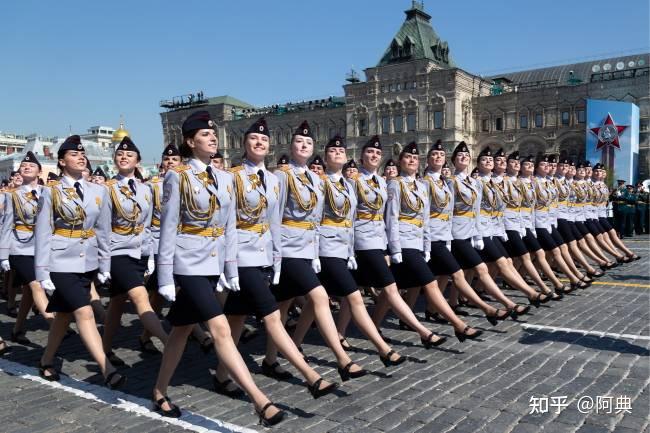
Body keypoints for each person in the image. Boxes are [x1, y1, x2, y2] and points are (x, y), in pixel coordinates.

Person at [152, 111, 285, 425]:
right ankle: (259, 400)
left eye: (213, 134)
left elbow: (229, 227)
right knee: (221, 328)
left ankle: (159, 390)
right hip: (187, 261)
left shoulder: (226, 178)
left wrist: (230, 268)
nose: (212, 138)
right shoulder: (178, 176)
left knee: (181, 331)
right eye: (204, 135)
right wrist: (165, 274)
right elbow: (169, 227)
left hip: (213, 263)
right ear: (190, 142)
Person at [216, 117, 337, 398]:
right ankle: (311, 376)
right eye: (254, 139)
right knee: (271, 315)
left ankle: (222, 376)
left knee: (236, 319)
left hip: (263, 256)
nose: (259, 143)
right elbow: (225, 222)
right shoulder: (231, 176)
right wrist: (227, 264)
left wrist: (276, 261)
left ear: (270, 147)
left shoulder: (271, 179)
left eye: (264, 140)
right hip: (240, 256)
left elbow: (274, 222)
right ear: (245, 144)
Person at [291, 135, 405, 363]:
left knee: (315, 303)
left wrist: (351, 251)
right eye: (333, 151)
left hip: (343, 248)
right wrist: (314, 252)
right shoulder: (318, 182)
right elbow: (313, 218)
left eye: (342, 150)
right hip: (325, 248)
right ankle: (382, 348)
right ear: (325, 157)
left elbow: (351, 220)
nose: (338, 153)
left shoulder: (346, 183)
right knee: (354, 297)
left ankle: (293, 344)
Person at [269, 120, 366, 382]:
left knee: (281, 306)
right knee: (320, 297)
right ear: (290, 146)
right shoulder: (282, 176)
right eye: (299, 142)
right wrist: (275, 258)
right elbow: (274, 219)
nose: (303, 146)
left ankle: (269, 359)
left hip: (307, 250)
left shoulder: (315, 179)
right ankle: (342, 359)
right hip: (288, 250)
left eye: (308, 143)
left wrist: (315, 254)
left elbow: (315, 219)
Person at [34, 135, 126, 388]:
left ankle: (46, 360)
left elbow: (104, 230)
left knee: (63, 316)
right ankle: (107, 369)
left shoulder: (99, 191)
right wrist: (42, 273)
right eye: (74, 154)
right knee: (84, 312)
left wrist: (105, 265)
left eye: (82, 154)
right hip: (60, 260)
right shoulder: (50, 191)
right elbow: (42, 233)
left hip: (88, 261)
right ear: (61, 162)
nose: (80, 157)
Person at [340, 135, 448, 347]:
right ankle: (423, 332)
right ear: (361, 156)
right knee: (390, 288)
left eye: (378, 153)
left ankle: (340, 334)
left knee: (351, 291)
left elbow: (386, 216)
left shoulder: (382, 182)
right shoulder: (353, 182)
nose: (374, 155)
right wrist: (349, 249)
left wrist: (389, 246)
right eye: (370, 152)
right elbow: (349, 217)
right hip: (362, 241)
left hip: (379, 242)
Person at [386, 142, 482, 341]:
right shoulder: (396, 184)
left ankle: (392, 319)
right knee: (430, 282)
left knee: (404, 286)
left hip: (426, 239)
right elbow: (392, 218)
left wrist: (429, 244)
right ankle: (461, 323)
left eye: (414, 157)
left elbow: (426, 217)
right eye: (407, 157)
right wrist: (394, 249)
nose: (412, 160)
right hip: (404, 241)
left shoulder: (424, 185)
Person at [101, 137, 169, 365]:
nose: (124, 157)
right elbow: (102, 228)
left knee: (118, 302)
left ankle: (105, 349)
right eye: (120, 154)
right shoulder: (107, 189)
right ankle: (169, 343)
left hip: (140, 252)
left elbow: (149, 224)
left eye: (129, 155)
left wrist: (149, 254)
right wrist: (103, 263)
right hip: (118, 251)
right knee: (140, 297)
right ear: (114, 160)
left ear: (138, 162)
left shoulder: (146, 189)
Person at [448, 142, 531, 317]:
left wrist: (488, 231)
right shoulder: (451, 181)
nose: (463, 157)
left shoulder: (476, 182)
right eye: (459, 156)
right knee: (481, 268)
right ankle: (518, 299)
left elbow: (483, 209)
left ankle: (453, 301)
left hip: (477, 230)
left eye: (466, 156)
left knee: (464, 269)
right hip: (458, 232)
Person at [0, 152, 55, 344]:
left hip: (42, 247)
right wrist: (4, 255)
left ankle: (17, 329)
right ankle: (53, 322)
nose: (26, 167)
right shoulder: (12, 196)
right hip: (20, 247)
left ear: (39, 171)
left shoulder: (49, 192)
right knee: (35, 284)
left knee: (30, 293)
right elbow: (7, 226)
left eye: (31, 165)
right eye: (23, 165)